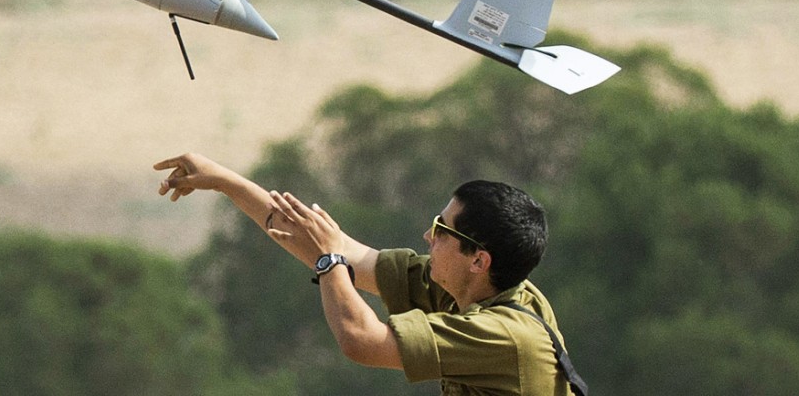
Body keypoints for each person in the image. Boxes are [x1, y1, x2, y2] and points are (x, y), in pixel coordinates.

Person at [155, 152, 584, 396]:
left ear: (479, 260)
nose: (427, 236)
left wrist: (329, 263)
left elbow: (360, 341)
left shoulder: (503, 333)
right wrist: (227, 182)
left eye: (441, 230)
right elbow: (329, 246)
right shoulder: (471, 289)